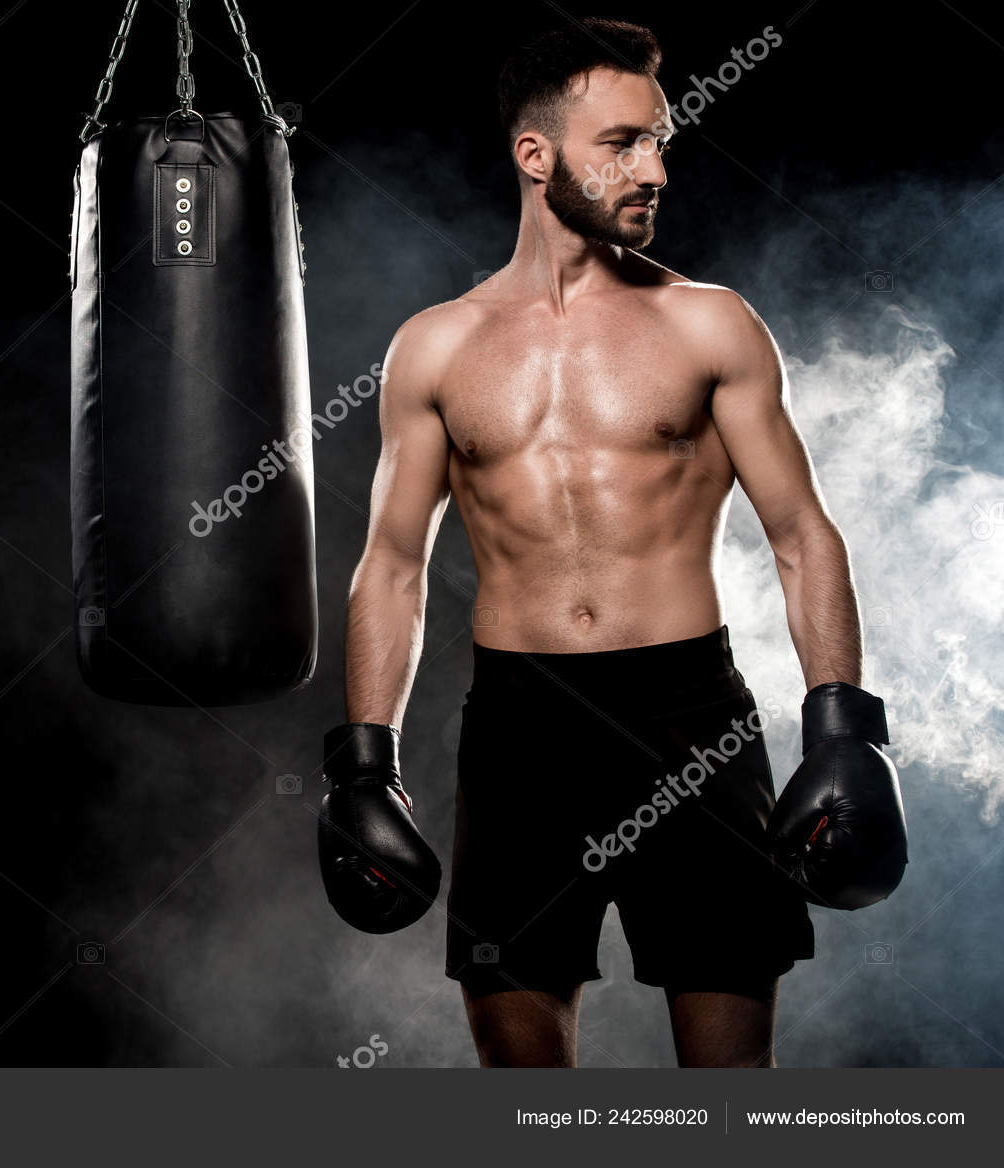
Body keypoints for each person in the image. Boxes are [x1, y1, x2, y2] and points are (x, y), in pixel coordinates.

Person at [315, 18, 907, 1068]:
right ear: (533, 155)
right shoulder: (436, 346)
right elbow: (393, 561)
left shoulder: (710, 325)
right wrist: (364, 764)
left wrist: (842, 727)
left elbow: (802, 534)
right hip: (519, 727)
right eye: (622, 142)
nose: (655, 170)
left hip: (692, 720)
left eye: (659, 140)